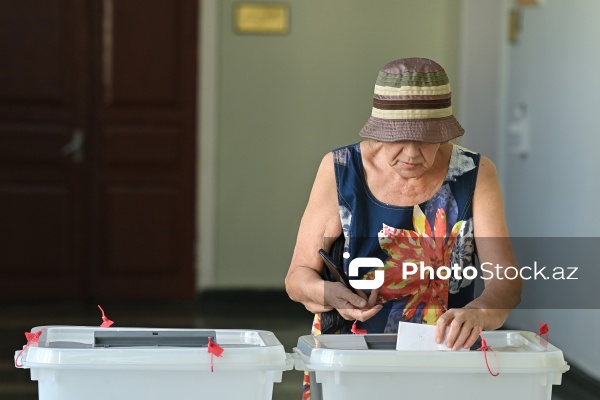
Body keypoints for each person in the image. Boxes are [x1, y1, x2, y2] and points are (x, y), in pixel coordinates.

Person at [285, 57, 522, 399]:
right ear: (378, 129)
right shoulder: (340, 169)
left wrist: (478, 314)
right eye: (398, 139)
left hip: (442, 359)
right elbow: (297, 277)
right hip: (348, 362)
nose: (411, 153)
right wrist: (328, 294)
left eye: (427, 140)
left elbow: (507, 283)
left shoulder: (474, 173)